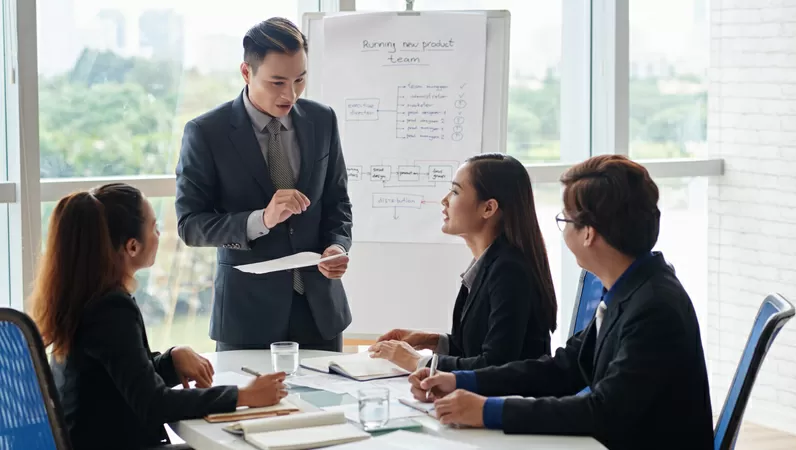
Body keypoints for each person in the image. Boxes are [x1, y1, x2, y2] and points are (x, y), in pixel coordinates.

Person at [407, 155, 714, 450]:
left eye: (565, 220)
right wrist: (459, 379)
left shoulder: (654, 308)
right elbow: (565, 368)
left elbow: (603, 412)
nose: (562, 230)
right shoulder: (631, 287)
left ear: (588, 234)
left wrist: (488, 411)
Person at [33, 184, 288, 450]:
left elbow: (124, 378)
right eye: (154, 227)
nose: (160, 234)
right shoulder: (110, 309)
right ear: (132, 246)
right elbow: (154, 404)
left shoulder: (85, 297)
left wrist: (170, 361)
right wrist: (244, 395)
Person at [175, 17, 352, 352]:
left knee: (327, 405)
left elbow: (338, 202)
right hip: (247, 318)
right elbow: (190, 225)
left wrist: (337, 247)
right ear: (246, 72)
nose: (291, 94)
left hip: (320, 313)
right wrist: (261, 220)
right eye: (277, 82)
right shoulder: (206, 133)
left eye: (300, 79)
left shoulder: (322, 119)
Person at [369, 154, 558, 372]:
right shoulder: (489, 262)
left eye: (456, 191)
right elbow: (474, 348)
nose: (445, 199)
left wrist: (418, 362)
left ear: (488, 208)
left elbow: (494, 366)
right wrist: (429, 340)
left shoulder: (510, 270)